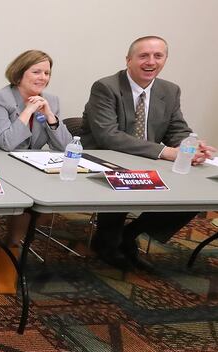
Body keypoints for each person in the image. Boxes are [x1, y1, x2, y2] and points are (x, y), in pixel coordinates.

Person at [81, 35, 215, 271]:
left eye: (158, 56)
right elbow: (108, 136)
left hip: (149, 157)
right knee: (125, 182)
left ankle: (130, 233)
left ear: (165, 60)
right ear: (129, 60)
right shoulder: (106, 87)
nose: (150, 61)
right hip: (108, 157)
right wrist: (165, 152)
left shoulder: (170, 90)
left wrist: (190, 147)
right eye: (143, 55)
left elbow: (177, 129)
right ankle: (107, 243)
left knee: (196, 192)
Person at [0, 49, 72, 246]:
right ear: (19, 73)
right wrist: (28, 111)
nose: (43, 77)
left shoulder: (51, 100)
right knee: (25, 200)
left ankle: (12, 243)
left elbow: (67, 148)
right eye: (36, 72)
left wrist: (51, 117)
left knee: (47, 201)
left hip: (26, 166)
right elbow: (7, 143)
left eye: (47, 73)